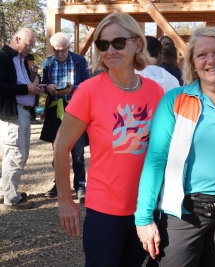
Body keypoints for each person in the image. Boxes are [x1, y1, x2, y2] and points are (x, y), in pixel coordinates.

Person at [135, 26, 215, 267]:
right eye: (202, 55)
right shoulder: (175, 101)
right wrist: (144, 218)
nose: (211, 60)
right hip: (184, 215)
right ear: (192, 63)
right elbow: (155, 160)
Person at [53, 12, 163, 266]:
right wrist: (65, 200)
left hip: (144, 207)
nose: (110, 50)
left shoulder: (154, 91)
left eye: (118, 43)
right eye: (103, 44)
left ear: (137, 43)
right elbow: (61, 145)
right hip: (104, 209)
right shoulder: (89, 91)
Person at [40, 32, 90, 202]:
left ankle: (80, 185)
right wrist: (49, 87)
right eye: (56, 51)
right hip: (56, 110)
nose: (60, 54)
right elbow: (43, 85)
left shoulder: (79, 60)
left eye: (63, 50)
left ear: (69, 47)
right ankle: (59, 184)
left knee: (77, 150)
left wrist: (73, 88)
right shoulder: (47, 62)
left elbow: (87, 85)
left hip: (76, 110)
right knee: (58, 150)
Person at [0, 28, 44, 209]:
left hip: (23, 112)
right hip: (13, 113)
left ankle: (9, 192)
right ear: (17, 38)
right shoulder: (3, 57)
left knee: (19, 155)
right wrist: (26, 89)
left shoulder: (21, 59)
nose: (30, 48)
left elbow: (22, 84)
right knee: (15, 155)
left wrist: (38, 86)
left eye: (32, 45)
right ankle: (11, 198)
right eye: (28, 44)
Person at [24, 53, 41, 123]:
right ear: (28, 60)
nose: (33, 62)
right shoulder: (26, 69)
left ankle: (36, 117)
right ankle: (33, 118)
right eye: (32, 60)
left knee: (36, 104)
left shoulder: (36, 73)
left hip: (35, 92)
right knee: (32, 106)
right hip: (29, 91)